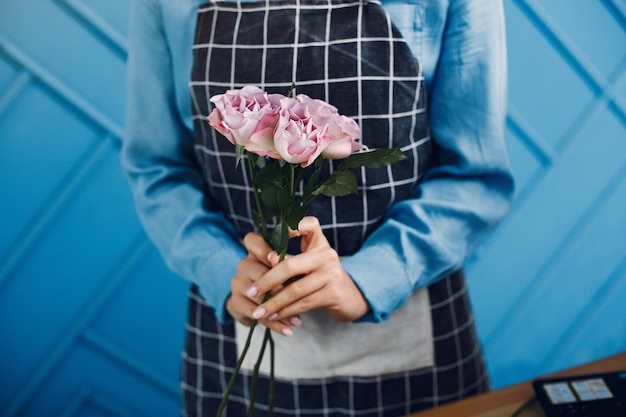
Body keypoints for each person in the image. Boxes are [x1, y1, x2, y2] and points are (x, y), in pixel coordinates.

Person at [122, 0, 514, 415]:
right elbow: (157, 167)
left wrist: (372, 277)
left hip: (419, 335)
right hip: (244, 331)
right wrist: (217, 266)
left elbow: (474, 176)